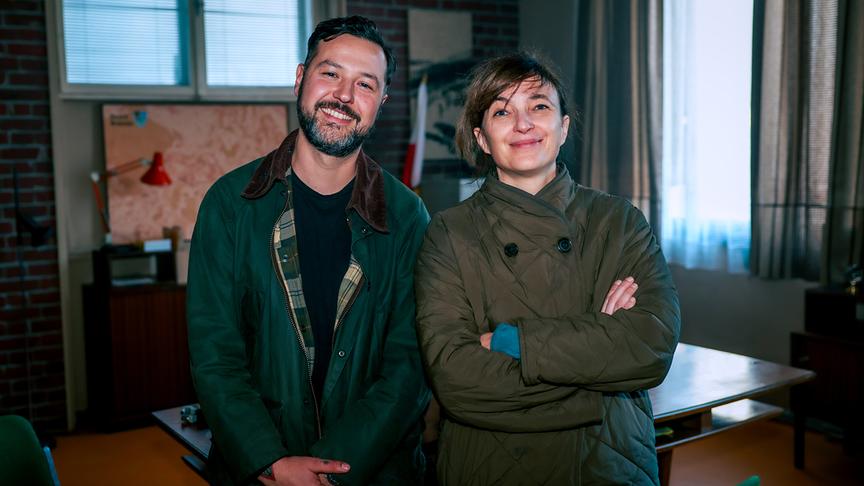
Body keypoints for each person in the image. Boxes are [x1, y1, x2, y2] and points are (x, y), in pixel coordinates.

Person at [414, 52, 681, 485]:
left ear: (564, 127)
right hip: (490, 465)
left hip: (607, 461)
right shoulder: (448, 233)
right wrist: (599, 368)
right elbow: (456, 379)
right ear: (482, 139)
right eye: (503, 112)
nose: (523, 124)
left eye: (539, 106)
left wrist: (511, 340)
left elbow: (651, 346)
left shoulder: (619, 221)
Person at [187, 16, 431, 486]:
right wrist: (270, 461)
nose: (343, 95)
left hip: (371, 473)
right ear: (300, 78)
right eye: (330, 73)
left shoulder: (408, 217)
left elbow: (410, 367)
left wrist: (333, 470)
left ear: (381, 102)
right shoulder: (230, 204)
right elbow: (215, 357)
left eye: (365, 84)